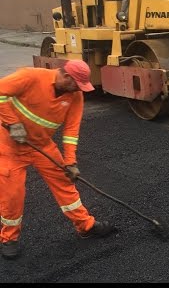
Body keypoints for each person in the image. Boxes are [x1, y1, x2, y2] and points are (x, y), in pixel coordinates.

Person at [0, 60, 115, 260]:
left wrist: (70, 162)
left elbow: (71, 130)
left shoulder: (75, 96)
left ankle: (85, 225)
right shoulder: (30, 76)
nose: (78, 90)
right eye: (76, 84)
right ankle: (9, 238)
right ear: (65, 76)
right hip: (10, 146)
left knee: (65, 182)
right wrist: (13, 123)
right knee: (12, 193)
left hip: (42, 145)